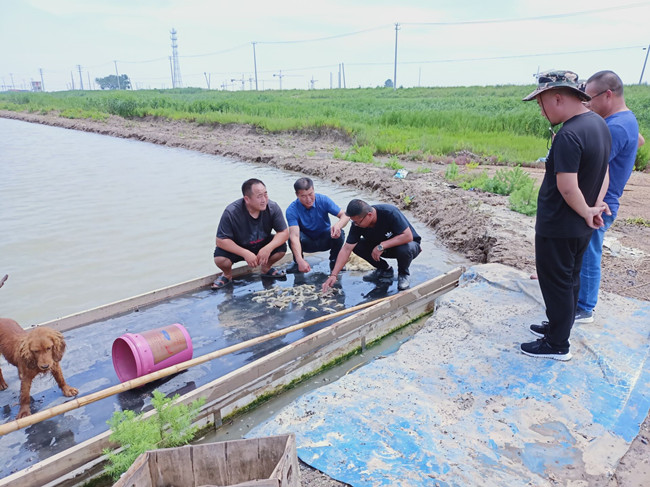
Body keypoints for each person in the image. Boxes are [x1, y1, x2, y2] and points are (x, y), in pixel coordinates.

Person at [522, 70, 611, 361]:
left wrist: (586, 210)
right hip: (579, 226)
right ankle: (559, 327)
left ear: (558, 98)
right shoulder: (597, 124)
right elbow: (605, 173)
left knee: (556, 283)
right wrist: (593, 208)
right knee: (570, 279)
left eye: (541, 104)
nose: (541, 111)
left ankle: (557, 344)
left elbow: (567, 186)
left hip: (559, 226)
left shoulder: (569, 135)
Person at [575, 70, 641, 323]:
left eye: (590, 99)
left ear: (608, 95)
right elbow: (639, 140)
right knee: (581, 250)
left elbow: (592, 165)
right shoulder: (626, 120)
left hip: (601, 202)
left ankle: (584, 307)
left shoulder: (615, 127)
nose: (588, 104)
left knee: (589, 254)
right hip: (603, 199)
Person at [322, 199, 421, 292]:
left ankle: (403, 274)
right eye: (353, 222)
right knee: (357, 246)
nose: (355, 224)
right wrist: (334, 275)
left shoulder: (389, 212)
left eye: (357, 222)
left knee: (404, 248)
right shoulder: (357, 224)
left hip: (407, 246)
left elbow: (408, 236)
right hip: (381, 249)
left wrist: (382, 246)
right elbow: (346, 249)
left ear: (369, 215)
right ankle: (385, 269)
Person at [211, 178, 289, 289]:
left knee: (281, 247)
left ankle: (266, 268)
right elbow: (220, 240)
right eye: (259, 196)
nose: (264, 200)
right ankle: (227, 275)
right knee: (220, 259)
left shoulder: (272, 207)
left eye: (265, 194)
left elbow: (284, 233)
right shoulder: (231, 212)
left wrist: (268, 248)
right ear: (247, 199)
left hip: (262, 244)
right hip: (239, 247)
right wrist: (245, 253)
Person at [285, 177, 350, 273]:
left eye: (310, 194)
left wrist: (338, 225)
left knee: (340, 232)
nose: (308, 199)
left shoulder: (323, 200)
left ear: (313, 190)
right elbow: (294, 236)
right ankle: (298, 263)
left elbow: (345, 215)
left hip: (325, 239)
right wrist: (300, 260)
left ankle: (334, 260)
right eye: (303, 196)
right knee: (291, 237)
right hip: (306, 242)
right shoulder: (291, 210)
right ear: (297, 195)